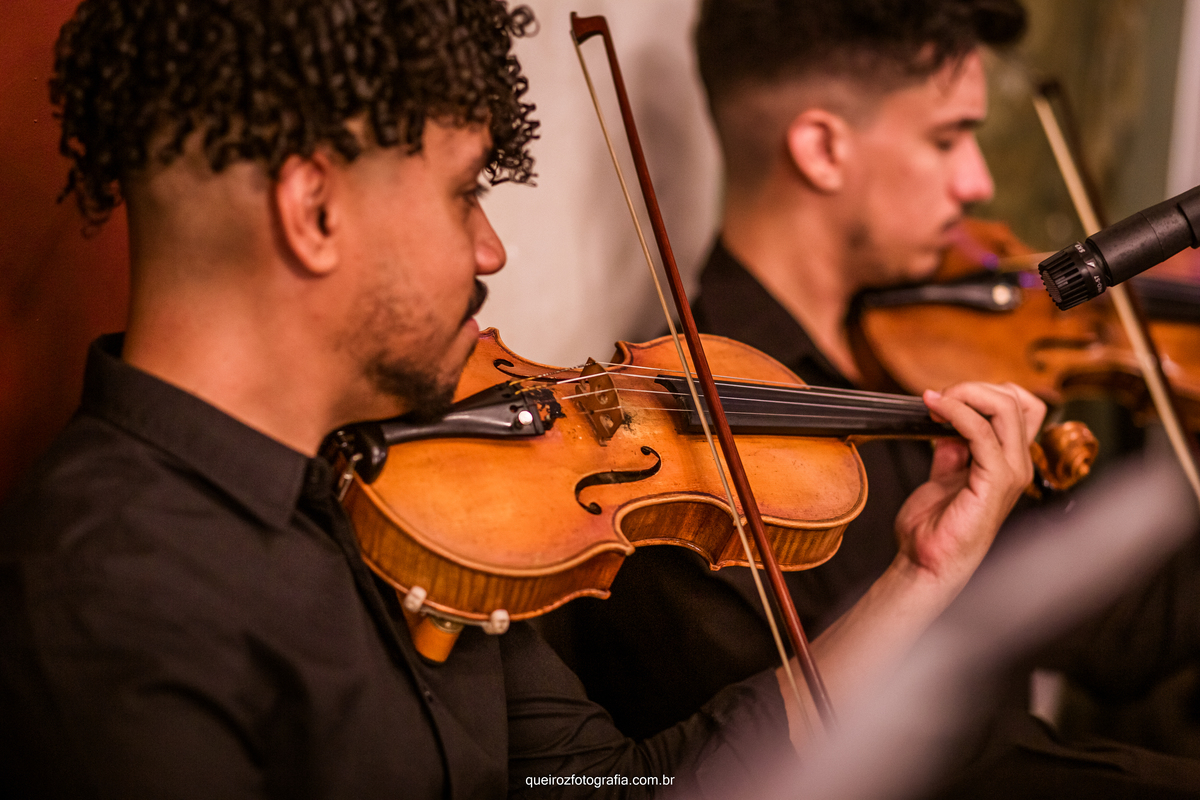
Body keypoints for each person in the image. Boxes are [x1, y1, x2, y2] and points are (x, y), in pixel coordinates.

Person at [0, 0, 1043, 797]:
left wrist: (918, 577)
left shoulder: (414, 499)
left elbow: (616, 783)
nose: (491, 249)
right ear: (312, 210)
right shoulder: (112, 607)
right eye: (465, 193)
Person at [541, 0, 1200, 796]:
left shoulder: (926, 350)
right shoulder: (682, 454)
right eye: (947, 137)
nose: (979, 182)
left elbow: (1127, 636)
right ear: (822, 148)